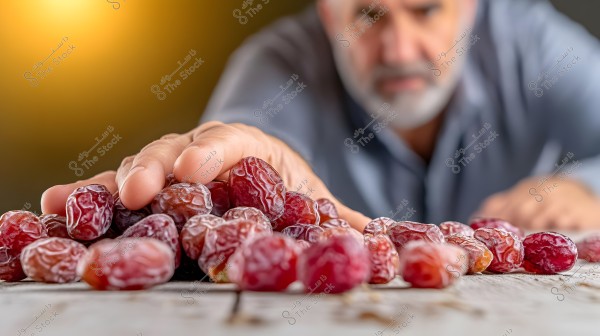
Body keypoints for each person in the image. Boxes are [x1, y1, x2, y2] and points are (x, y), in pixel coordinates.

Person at [41, 0, 600, 232]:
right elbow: (240, 143)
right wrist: (231, 163)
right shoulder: (276, 63)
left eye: (427, 8)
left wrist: (587, 188)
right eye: (369, 14)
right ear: (327, 9)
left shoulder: (534, 45)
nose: (400, 49)